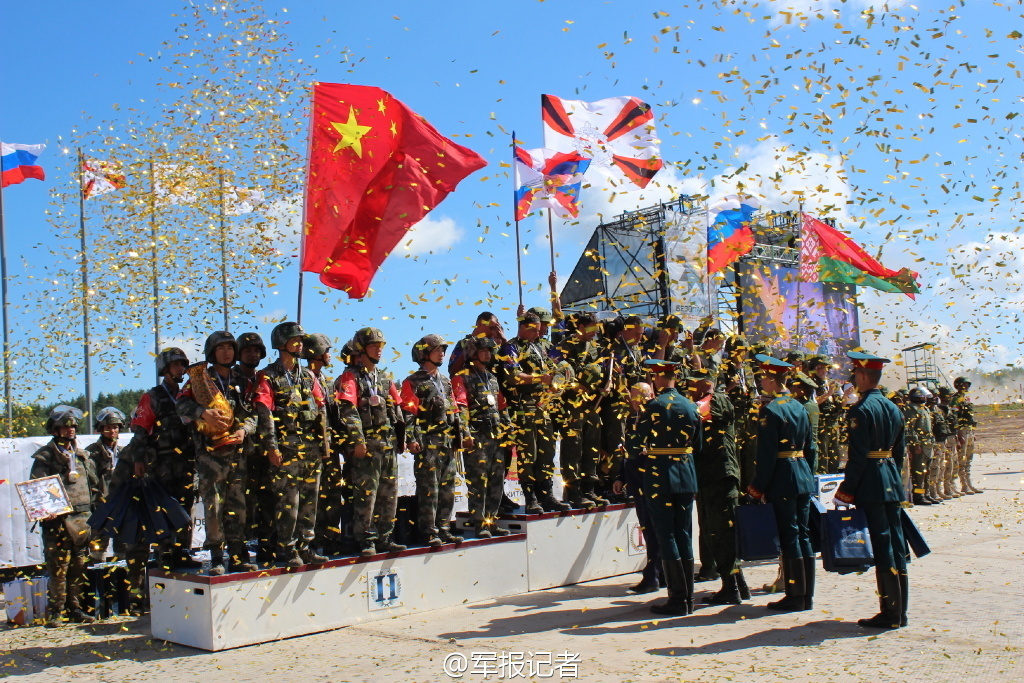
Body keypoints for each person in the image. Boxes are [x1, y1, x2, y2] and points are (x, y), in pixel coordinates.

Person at [833, 351, 909, 629]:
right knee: (897, 547)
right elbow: (899, 451)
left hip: (872, 484)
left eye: (855, 374)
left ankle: (889, 612)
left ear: (863, 375)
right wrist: (893, 475)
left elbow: (858, 455)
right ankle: (900, 611)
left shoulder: (860, 409)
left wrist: (847, 489)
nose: (853, 378)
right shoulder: (893, 408)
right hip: (890, 479)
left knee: (883, 546)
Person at [177, 331, 258, 574]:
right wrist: (202, 412)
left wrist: (245, 430)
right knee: (213, 506)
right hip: (210, 456)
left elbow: (253, 413)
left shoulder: (242, 380)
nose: (226, 352)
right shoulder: (200, 379)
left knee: (238, 505)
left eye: (230, 348)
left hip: (236, 454)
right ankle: (215, 557)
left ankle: (237, 554)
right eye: (221, 348)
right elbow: (180, 404)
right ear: (212, 352)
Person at [254, 322, 328, 568]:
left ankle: (306, 546)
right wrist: (271, 446)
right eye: (294, 340)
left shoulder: (307, 375)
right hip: (286, 450)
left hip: (311, 450)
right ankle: (286, 549)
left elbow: (320, 408)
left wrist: (324, 444)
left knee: (310, 501)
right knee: (289, 503)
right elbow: (264, 413)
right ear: (280, 344)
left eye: (300, 340)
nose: (299, 344)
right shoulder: (268, 375)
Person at [747, 354, 816, 613]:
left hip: (783, 478)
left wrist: (758, 486)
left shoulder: (771, 410)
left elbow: (766, 455)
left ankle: (795, 594)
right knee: (804, 534)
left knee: (790, 536)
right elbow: (811, 447)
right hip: (802, 475)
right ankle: (806, 594)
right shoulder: (800, 406)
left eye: (763, 377)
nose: (761, 382)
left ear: (771, 379)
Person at [636, 359, 703, 616]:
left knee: (666, 534)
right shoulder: (690, 405)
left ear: (659, 378)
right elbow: (699, 445)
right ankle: (688, 597)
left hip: (659, 474)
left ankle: (677, 599)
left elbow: (634, 444)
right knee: (684, 533)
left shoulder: (653, 405)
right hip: (685, 473)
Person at [125, 347, 201, 571]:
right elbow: (140, 429)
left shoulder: (189, 393)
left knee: (186, 510)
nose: (182, 369)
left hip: (187, 461)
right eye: (177, 365)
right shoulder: (153, 396)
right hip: (162, 463)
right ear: (165, 369)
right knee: (164, 510)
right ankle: (164, 554)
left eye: (183, 365)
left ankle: (182, 552)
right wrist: (139, 460)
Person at [335, 327, 407, 556]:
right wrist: (357, 439)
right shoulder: (350, 377)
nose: (378, 350)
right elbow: (348, 409)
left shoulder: (385, 378)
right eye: (373, 346)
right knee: (366, 496)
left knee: (389, 495)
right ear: (361, 349)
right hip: (366, 446)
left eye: (380, 346)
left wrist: (401, 438)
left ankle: (385, 537)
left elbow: (398, 409)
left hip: (387, 446)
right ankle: (366, 540)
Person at [32, 406, 100, 627]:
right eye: (65, 426)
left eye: (72, 426)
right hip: (58, 521)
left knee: (79, 566)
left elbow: (94, 486)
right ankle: (56, 611)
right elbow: (38, 488)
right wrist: (47, 513)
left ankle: (76, 609)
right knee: (58, 568)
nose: (70, 430)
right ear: (55, 429)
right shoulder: (45, 457)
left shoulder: (83, 456)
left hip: (82, 519)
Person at [496, 312, 568, 514]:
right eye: (535, 330)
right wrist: (540, 378)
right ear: (524, 327)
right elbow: (512, 376)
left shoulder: (540, 346)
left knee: (547, 451)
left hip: (544, 405)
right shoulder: (511, 347)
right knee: (529, 453)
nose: (539, 334)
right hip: (523, 407)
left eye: (540, 330)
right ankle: (531, 497)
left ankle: (547, 494)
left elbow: (558, 363)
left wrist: (560, 378)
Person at [688, 367, 749, 605]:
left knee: (722, 532)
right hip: (709, 476)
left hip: (720, 476)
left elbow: (695, 413)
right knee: (717, 532)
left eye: (692, 385)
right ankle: (737, 584)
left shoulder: (718, 400)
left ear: (704, 384)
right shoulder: (705, 402)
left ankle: (731, 587)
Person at [401, 334, 467, 546]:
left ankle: (444, 527)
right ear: (424, 353)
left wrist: (462, 435)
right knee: (429, 489)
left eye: (443, 349)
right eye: (437, 349)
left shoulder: (446, 382)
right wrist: (411, 439)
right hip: (427, 443)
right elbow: (408, 415)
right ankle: (429, 531)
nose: (442, 353)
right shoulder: (412, 382)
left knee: (447, 488)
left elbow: (455, 410)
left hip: (447, 443)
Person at [452, 336, 511, 538]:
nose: (487, 354)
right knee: (478, 482)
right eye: (483, 350)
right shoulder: (462, 377)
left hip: (496, 437)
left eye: (489, 350)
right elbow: (461, 408)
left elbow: (502, 407)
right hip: (477, 438)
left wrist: (509, 429)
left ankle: (491, 521)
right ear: (472, 354)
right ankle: (479, 524)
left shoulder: (492, 378)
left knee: (496, 481)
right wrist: (466, 434)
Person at [555, 312, 607, 509]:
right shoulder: (565, 345)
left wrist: (605, 386)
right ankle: (573, 490)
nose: (595, 333)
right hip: (572, 404)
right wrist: (574, 386)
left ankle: (589, 488)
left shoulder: (594, 346)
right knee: (573, 448)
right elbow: (557, 373)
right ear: (581, 327)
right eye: (592, 328)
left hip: (592, 404)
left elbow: (600, 370)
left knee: (591, 446)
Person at [613, 382, 662, 593]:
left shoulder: (657, 416)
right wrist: (620, 477)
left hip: (653, 481)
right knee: (648, 530)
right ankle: (658, 574)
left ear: (651, 395)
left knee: (655, 531)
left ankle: (654, 577)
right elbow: (628, 452)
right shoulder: (631, 417)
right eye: (633, 397)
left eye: (641, 396)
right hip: (636, 482)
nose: (636, 401)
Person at [303, 333, 346, 555]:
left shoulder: (327, 382)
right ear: (316, 353)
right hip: (310, 447)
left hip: (330, 447)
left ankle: (330, 539)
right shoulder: (303, 379)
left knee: (332, 494)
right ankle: (311, 541)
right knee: (312, 496)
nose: (330, 355)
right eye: (326, 351)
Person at [234, 331, 275, 561]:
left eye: (256, 350)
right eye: (248, 350)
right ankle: (240, 550)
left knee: (269, 500)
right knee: (241, 504)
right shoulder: (230, 379)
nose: (252, 354)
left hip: (265, 451)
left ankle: (267, 546)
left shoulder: (265, 378)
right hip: (239, 452)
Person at [807, 355, 844, 474]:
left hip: (833, 423)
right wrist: (828, 394)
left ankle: (833, 478)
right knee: (822, 454)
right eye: (819, 368)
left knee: (834, 453)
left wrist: (846, 396)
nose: (823, 371)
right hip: (820, 424)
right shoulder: (811, 384)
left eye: (825, 368)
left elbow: (841, 403)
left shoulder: (832, 382)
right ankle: (821, 481)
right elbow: (813, 402)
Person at [86, 407, 127, 505]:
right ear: (101, 429)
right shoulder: (91, 452)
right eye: (108, 428)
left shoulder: (123, 452)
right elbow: (91, 483)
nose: (112, 431)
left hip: (122, 501)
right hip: (101, 504)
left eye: (115, 427)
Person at [950, 376, 982, 494]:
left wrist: (972, 432)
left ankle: (967, 484)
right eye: (964, 384)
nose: (966, 387)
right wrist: (959, 435)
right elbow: (954, 418)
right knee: (960, 460)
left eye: (967, 385)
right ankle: (954, 485)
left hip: (968, 430)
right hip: (961, 431)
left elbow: (970, 417)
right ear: (958, 386)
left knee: (968, 459)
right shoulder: (955, 399)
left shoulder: (966, 399)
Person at [904, 387, 934, 506]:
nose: (925, 398)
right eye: (922, 396)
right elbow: (910, 429)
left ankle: (926, 494)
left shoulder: (924, 409)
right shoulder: (911, 409)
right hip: (919, 445)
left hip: (928, 443)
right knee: (919, 472)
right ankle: (919, 496)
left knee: (927, 471)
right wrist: (915, 444)